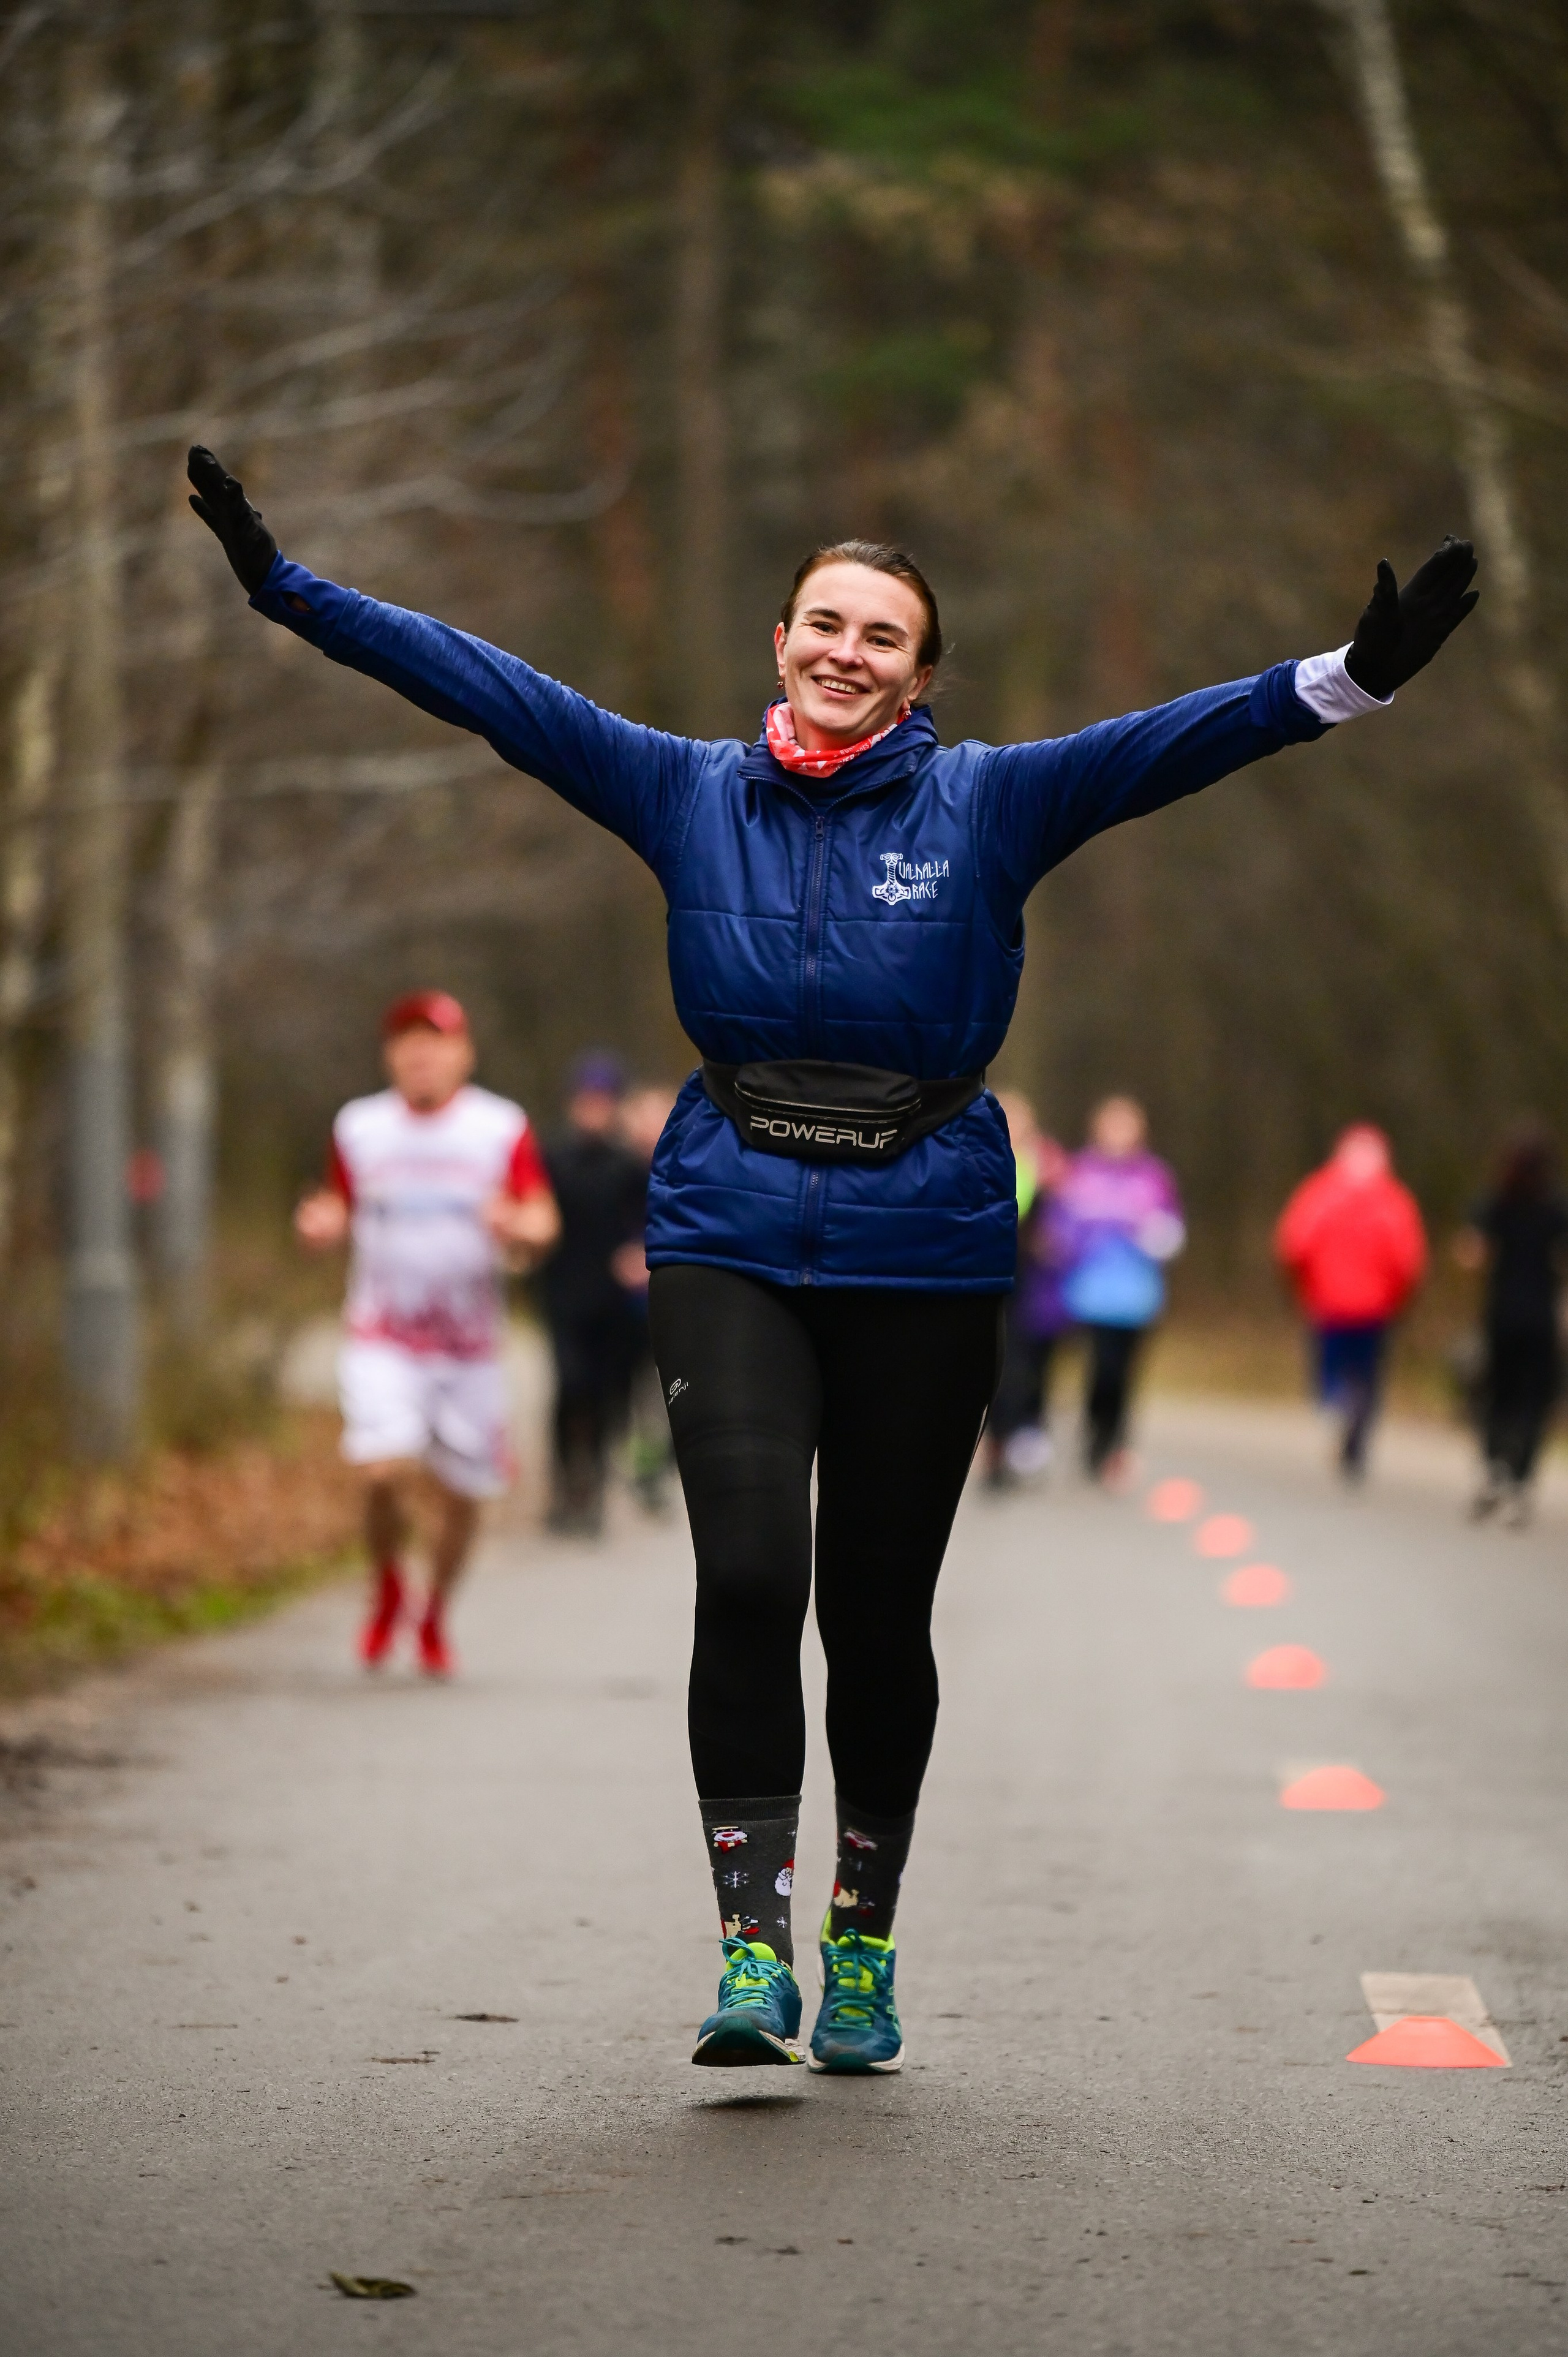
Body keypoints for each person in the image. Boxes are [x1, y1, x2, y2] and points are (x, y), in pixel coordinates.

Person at [189, 439, 1477, 2072]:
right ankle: (752, 1950)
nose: (844, 650)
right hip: (729, 1221)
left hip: (924, 1243)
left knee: (877, 1617)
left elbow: (1178, 744)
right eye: (821, 623)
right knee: (745, 1580)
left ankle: (860, 1946)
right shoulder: (678, 788)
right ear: (779, 642)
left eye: (880, 633)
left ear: (922, 672)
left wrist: (1351, 681)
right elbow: (488, 689)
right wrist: (285, 590)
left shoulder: (993, 802)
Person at [295, 992, 560, 1673]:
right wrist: (322, 1224)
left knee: (463, 1497)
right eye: (408, 1042)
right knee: (383, 1467)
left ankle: (434, 1611)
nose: (421, 1054)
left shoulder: (500, 1127)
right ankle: (387, 1583)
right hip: (383, 1336)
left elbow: (541, 1216)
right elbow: (337, 1204)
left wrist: (521, 1227)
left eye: (435, 1041)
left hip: (469, 1348)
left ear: (463, 1052)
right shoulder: (359, 1127)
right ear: (391, 1055)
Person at [537, 1054, 652, 1535]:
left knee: (607, 1395)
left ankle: (598, 1485)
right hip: (563, 1295)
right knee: (569, 1387)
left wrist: (638, 1254)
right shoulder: (552, 1160)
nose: (593, 1112)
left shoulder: (630, 1167)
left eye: (603, 1103)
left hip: (613, 1303)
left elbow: (650, 1223)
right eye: (586, 1102)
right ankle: (566, 1483)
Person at [1274, 1123, 1427, 1481]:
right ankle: (1355, 1431)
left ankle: (1339, 1408)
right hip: (1374, 1307)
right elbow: (1409, 1261)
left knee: (1332, 1371)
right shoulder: (1394, 1200)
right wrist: (1401, 1297)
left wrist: (1303, 1286)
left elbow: (1294, 1245)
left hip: (1330, 1304)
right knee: (1368, 1377)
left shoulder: (1320, 1192)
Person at [1052, 1096, 1185, 1483]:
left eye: (1126, 1127)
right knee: (1101, 1371)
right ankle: (1094, 1435)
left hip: (1138, 1296)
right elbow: (1061, 1230)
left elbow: (1172, 1231)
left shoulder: (1154, 1177)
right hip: (1091, 1295)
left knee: (1126, 1375)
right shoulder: (1081, 1173)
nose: (1119, 1135)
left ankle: (1116, 1446)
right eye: (1112, 1127)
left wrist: (1154, 1234)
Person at [1453, 1123, 1568, 1525]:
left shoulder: (1496, 1203)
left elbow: (1470, 1251)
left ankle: (1496, 1468)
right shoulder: (1554, 1206)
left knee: (1495, 1395)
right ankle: (1519, 1478)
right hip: (1539, 1319)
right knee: (1534, 1401)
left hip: (1503, 1316)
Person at [983, 1092, 1069, 1487]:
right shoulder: (977, 1157)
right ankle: (995, 1446)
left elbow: (1063, 1227)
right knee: (989, 1368)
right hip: (985, 1281)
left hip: (1032, 1287)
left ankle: (1014, 1439)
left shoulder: (1047, 1167)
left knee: (1022, 1368)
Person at [620, 1082, 680, 1513]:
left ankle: (656, 1467)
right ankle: (641, 1467)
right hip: (622, 1309)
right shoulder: (617, 1170)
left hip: (672, 1301)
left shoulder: (684, 1168)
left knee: (660, 1394)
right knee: (637, 1395)